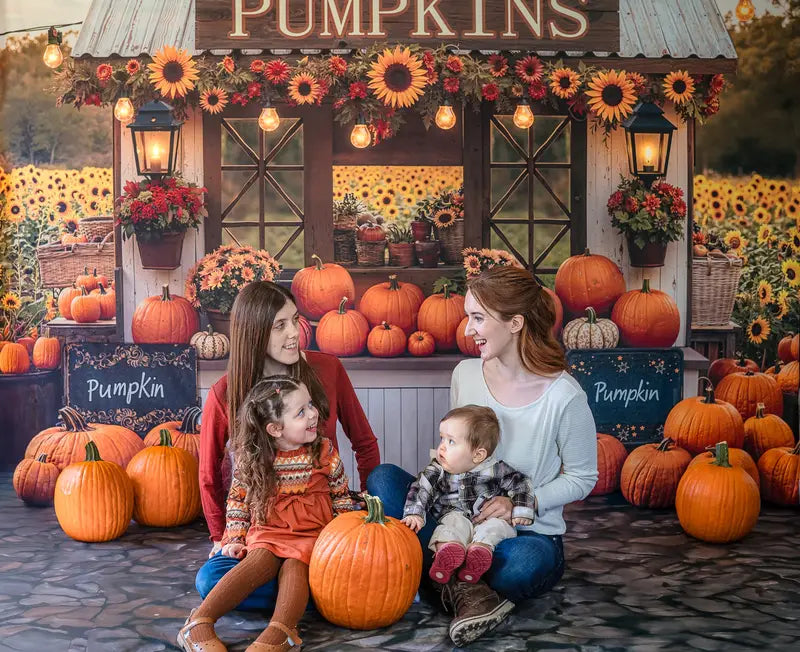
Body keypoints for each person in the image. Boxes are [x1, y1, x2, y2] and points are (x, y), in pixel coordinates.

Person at [367, 265, 598, 646]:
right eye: (467, 318)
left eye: (478, 318)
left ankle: (444, 580)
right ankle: (472, 592)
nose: (468, 330)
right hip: (456, 516)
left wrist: (519, 503)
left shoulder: (564, 396)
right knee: (383, 481)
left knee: (520, 569)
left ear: (515, 323)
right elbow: (456, 451)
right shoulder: (466, 374)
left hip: (523, 532)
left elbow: (583, 477)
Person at [197, 281, 380, 610]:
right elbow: (209, 474)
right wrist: (220, 537)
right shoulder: (225, 394)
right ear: (253, 333)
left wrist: (362, 510)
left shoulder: (327, 369)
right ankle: (321, 591)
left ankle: (305, 586)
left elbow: (364, 444)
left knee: (389, 481)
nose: (294, 333)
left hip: (321, 525)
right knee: (209, 580)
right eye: (279, 325)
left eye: (295, 320)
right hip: (262, 534)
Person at [179, 376, 363, 652]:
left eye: (310, 405)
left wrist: (345, 539)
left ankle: (281, 631)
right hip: (269, 529)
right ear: (275, 428)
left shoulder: (324, 452)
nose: (313, 414)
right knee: (259, 561)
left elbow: (341, 496)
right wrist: (235, 537)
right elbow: (239, 499)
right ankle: (199, 621)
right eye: (301, 412)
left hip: (312, 533)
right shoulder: (255, 460)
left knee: (295, 567)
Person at [402, 405, 534, 589]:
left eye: (451, 442)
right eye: (442, 438)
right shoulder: (439, 468)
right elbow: (421, 487)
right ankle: (448, 553)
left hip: (487, 519)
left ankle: (479, 554)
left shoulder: (496, 469)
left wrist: (521, 509)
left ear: (478, 455)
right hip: (455, 515)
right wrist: (415, 513)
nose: (441, 447)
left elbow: (521, 483)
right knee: (452, 524)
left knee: (496, 527)